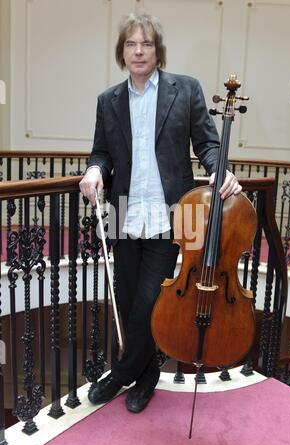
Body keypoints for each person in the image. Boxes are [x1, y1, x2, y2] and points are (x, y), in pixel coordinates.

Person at [79, 13, 242, 413]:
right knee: (131, 298)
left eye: (146, 44)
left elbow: (207, 142)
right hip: (124, 215)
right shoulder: (108, 100)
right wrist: (95, 170)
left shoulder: (184, 90)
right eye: (131, 44)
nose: (138, 51)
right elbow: (101, 151)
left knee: (150, 304)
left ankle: (121, 373)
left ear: (157, 51)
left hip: (174, 216)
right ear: (122, 51)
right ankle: (147, 377)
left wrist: (220, 168)